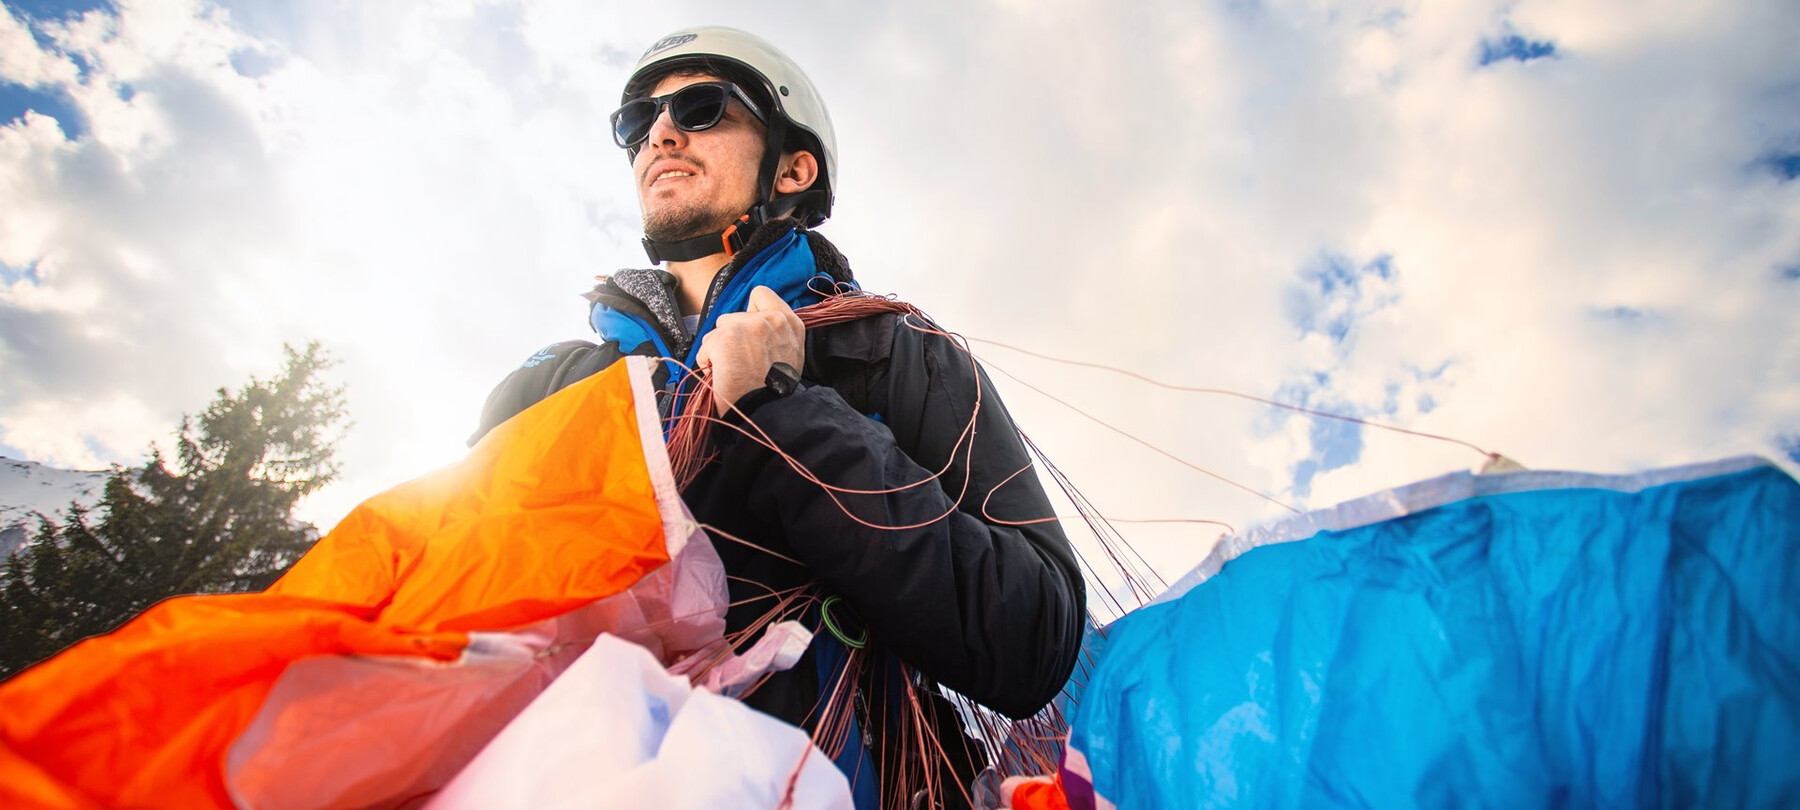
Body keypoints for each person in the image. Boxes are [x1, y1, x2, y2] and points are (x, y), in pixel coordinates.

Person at [470, 26, 1085, 809]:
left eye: (701, 107)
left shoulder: (890, 350)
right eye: (639, 121)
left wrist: (781, 415)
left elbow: (1033, 639)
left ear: (794, 167)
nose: (660, 133)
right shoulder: (552, 384)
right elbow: (453, 607)